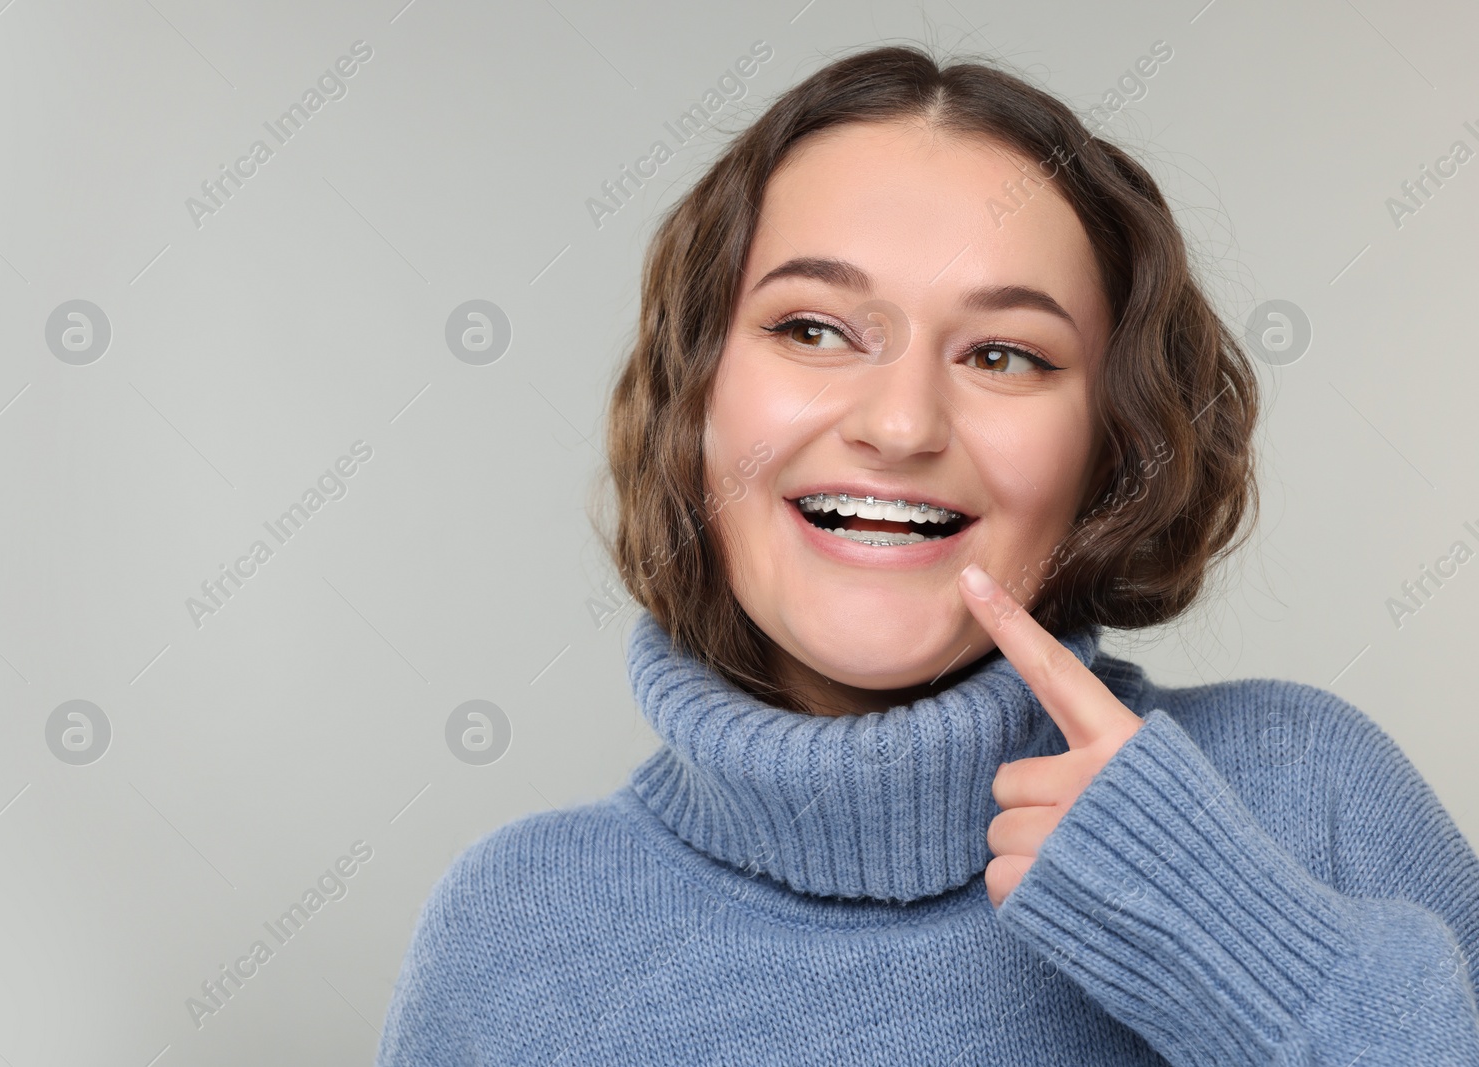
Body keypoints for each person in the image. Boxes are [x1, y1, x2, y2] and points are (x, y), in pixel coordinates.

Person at [375, 44, 1479, 1065]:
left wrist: (1249, 953)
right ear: (694, 395)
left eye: (1004, 353)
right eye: (811, 328)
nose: (900, 425)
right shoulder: (514, 935)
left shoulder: (1306, 797)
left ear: (1111, 448)